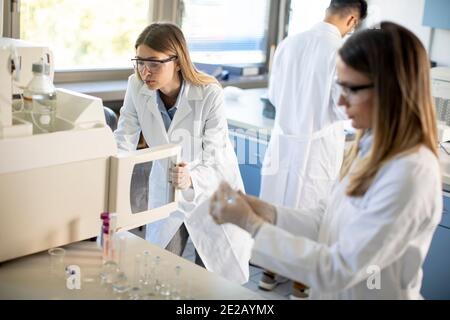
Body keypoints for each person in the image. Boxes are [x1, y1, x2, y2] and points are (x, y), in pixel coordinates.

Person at [210, 21, 442, 299]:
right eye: (339, 86)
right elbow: (326, 220)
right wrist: (265, 211)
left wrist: (252, 225)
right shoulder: (367, 147)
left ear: (391, 89)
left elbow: (341, 268)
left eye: (352, 89)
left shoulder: (410, 172)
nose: (341, 102)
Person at [114, 23, 252, 284]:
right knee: (159, 270)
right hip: (166, 186)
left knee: (212, 276)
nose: (145, 71)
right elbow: (125, 135)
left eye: (154, 63)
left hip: (211, 187)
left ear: (177, 61)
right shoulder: (136, 85)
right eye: (140, 62)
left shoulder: (209, 93)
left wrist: (192, 179)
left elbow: (215, 154)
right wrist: (110, 171)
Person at [259, 0, 367, 298]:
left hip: (284, 139)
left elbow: (275, 96)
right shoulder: (341, 54)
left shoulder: (289, 43)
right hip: (318, 145)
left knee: (277, 204)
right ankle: (300, 283)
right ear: (353, 20)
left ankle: (269, 272)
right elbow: (342, 107)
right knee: (311, 209)